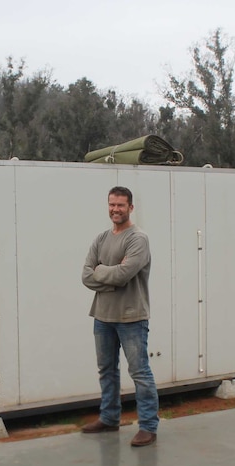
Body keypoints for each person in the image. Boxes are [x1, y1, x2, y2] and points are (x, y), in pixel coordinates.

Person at [81, 186, 159, 447]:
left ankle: (148, 426)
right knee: (107, 370)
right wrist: (110, 275)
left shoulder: (138, 239)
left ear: (131, 208)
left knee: (140, 372)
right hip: (102, 316)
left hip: (132, 317)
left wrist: (102, 271)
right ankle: (109, 417)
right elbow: (85, 275)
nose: (115, 209)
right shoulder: (101, 238)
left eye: (121, 205)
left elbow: (124, 274)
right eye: (112, 205)